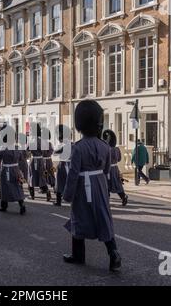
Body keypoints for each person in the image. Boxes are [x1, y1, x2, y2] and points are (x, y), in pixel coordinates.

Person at [63, 100, 122, 272]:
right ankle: (114, 253)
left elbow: (73, 174)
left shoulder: (78, 148)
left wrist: (68, 194)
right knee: (103, 218)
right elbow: (105, 170)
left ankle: (78, 255)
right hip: (99, 185)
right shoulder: (105, 146)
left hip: (83, 187)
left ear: (80, 125)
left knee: (78, 219)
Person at [0, 125, 26, 215]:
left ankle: (4, 206)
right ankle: (22, 204)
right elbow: (21, 159)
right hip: (16, 169)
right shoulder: (17, 148)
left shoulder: (3, 148)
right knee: (17, 187)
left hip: (7, 170)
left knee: (5, 187)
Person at [103, 130, 129, 207]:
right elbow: (119, 159)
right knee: (117, 184)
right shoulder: (116, 149)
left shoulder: (106, 148)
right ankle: (123, 196)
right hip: (114, 169)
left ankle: (106, 201)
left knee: (106, 184)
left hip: (107, 169)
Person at [28, 124, 53, 202]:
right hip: (41, 160)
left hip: (34, 160)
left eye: (31, 130)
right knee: (41, 177)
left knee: (31, 177)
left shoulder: (31, 140)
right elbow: (45, 151)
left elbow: (27, 150)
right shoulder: (42, 140)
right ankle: (47, 192)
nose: (30, 131)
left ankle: (32, 195)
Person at [53, 125, 73, 207]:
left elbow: (55, 153)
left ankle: (58, 201)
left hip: (63, 165)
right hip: (71, 165)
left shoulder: (62, 146)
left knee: (59, 183)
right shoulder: (73, 144)